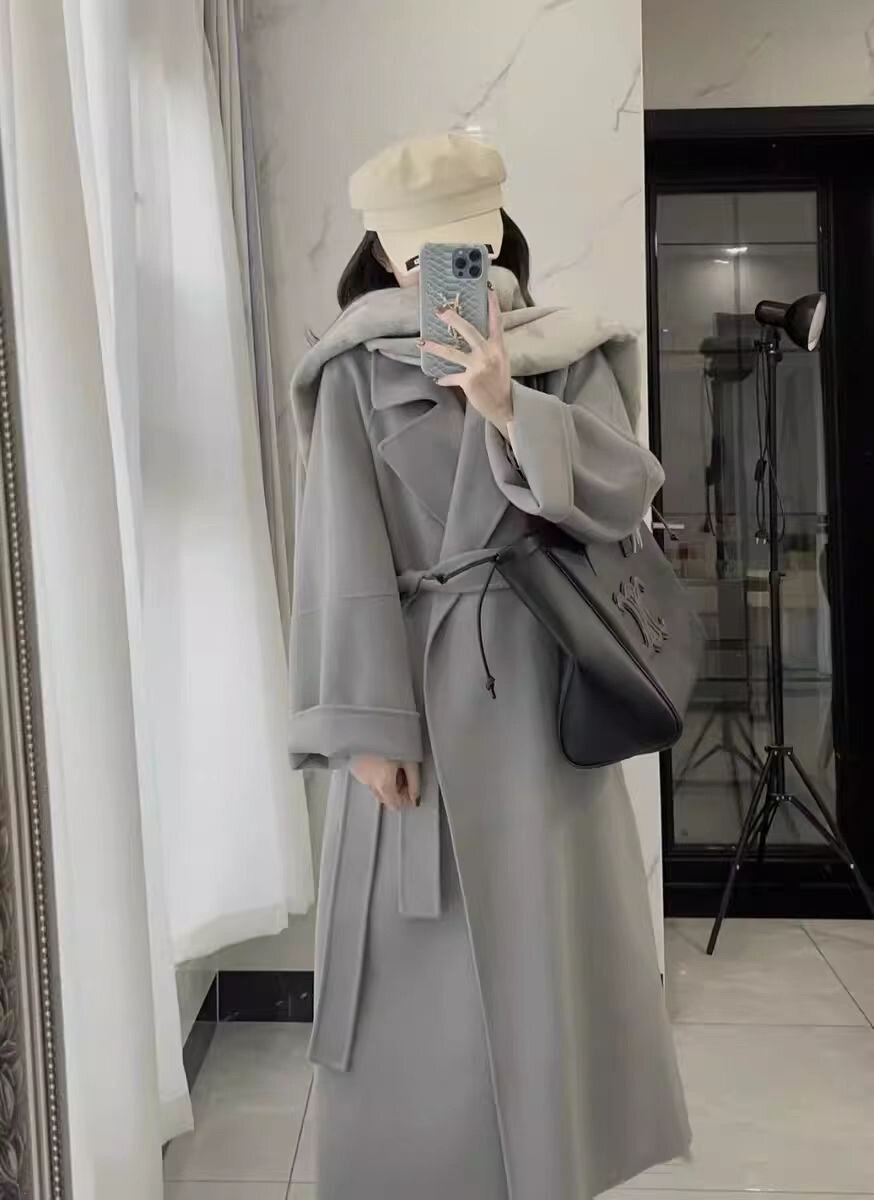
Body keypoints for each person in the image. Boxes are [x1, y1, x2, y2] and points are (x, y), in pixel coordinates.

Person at [286, 132, 691, 1200]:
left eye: (459, 248)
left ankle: (549, 1169)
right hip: (411, 693)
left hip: (540, 696)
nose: (438, 273)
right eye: (418, 254)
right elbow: (339, 550)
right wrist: (366, 729)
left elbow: (624, 494)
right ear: (384, 255)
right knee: (417, 983)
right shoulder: (351, 367)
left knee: (545, 955)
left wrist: (511, 406)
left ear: (498, 237)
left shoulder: (570, 348)